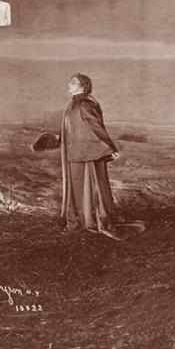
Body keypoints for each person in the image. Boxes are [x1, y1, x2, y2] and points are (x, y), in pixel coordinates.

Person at [60, 73, 122, 240]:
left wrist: (109, 147)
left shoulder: (85, 105)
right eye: (70, 81)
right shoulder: (72, 105)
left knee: (91, 187)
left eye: (73, 82)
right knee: (78, 188)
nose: (69, 84)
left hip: (89, 153)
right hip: (75, 153)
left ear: (83, 85)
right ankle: (80, 220)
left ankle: (92, 220)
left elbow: (95, 127)